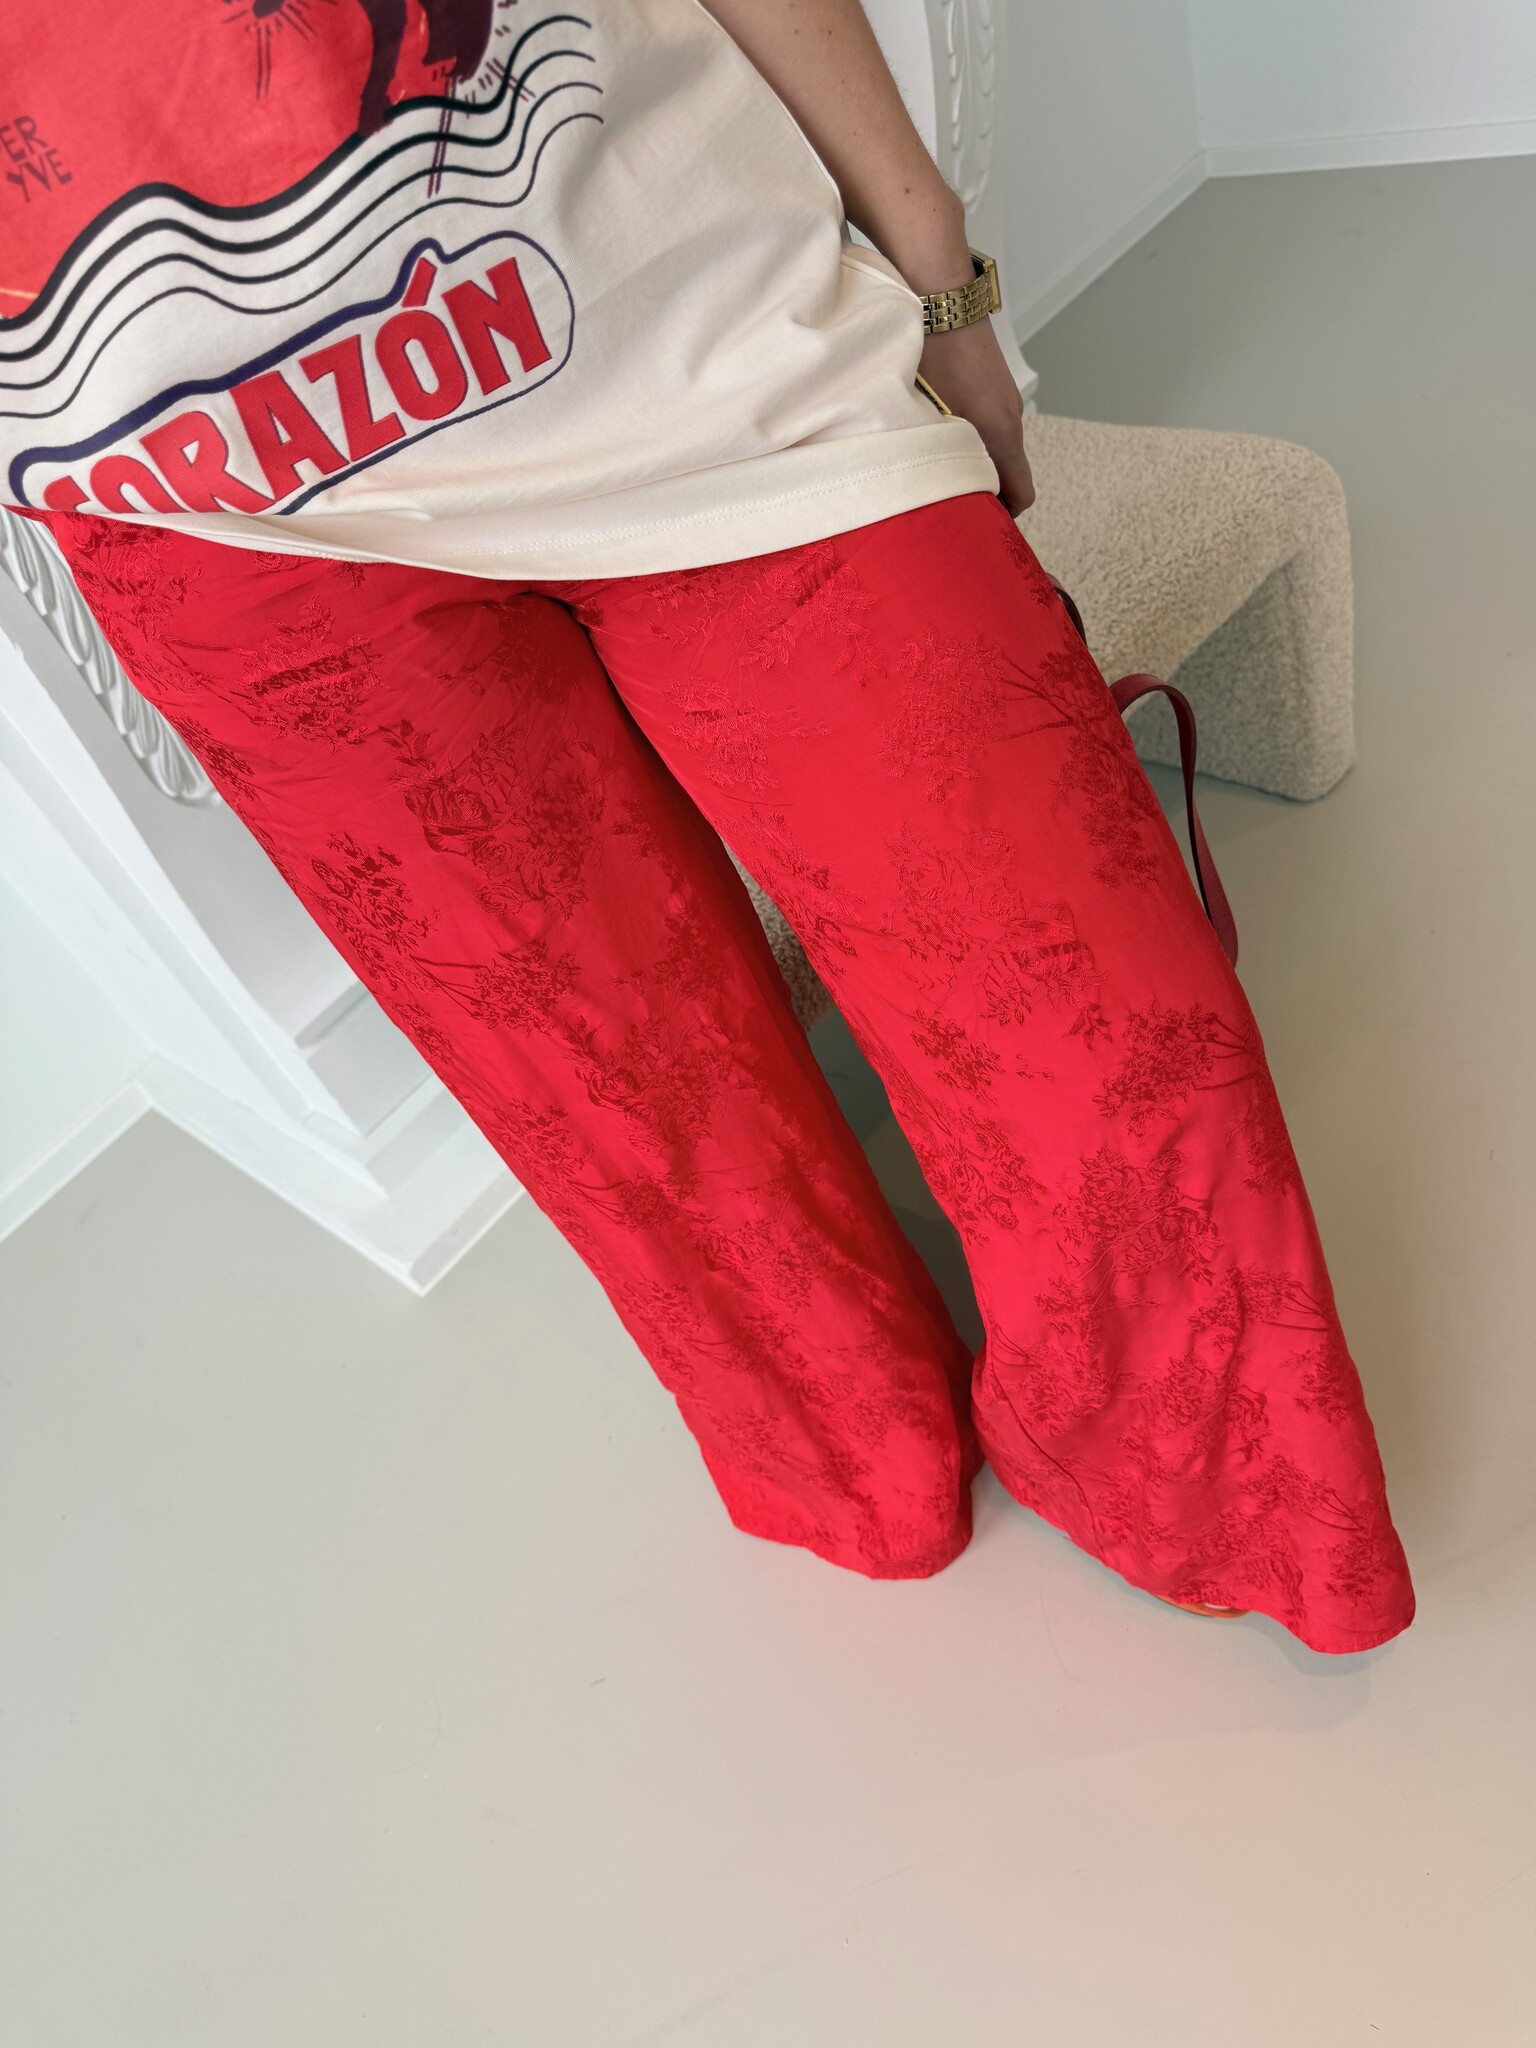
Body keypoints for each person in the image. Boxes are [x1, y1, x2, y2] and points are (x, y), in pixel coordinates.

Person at [0, 0, 1413, 1653]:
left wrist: (937, 273)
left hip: (690, 317)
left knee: (1108, 1046)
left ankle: (1188, 1484)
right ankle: (850, 1450)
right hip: (215, 510)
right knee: (616, 1091)